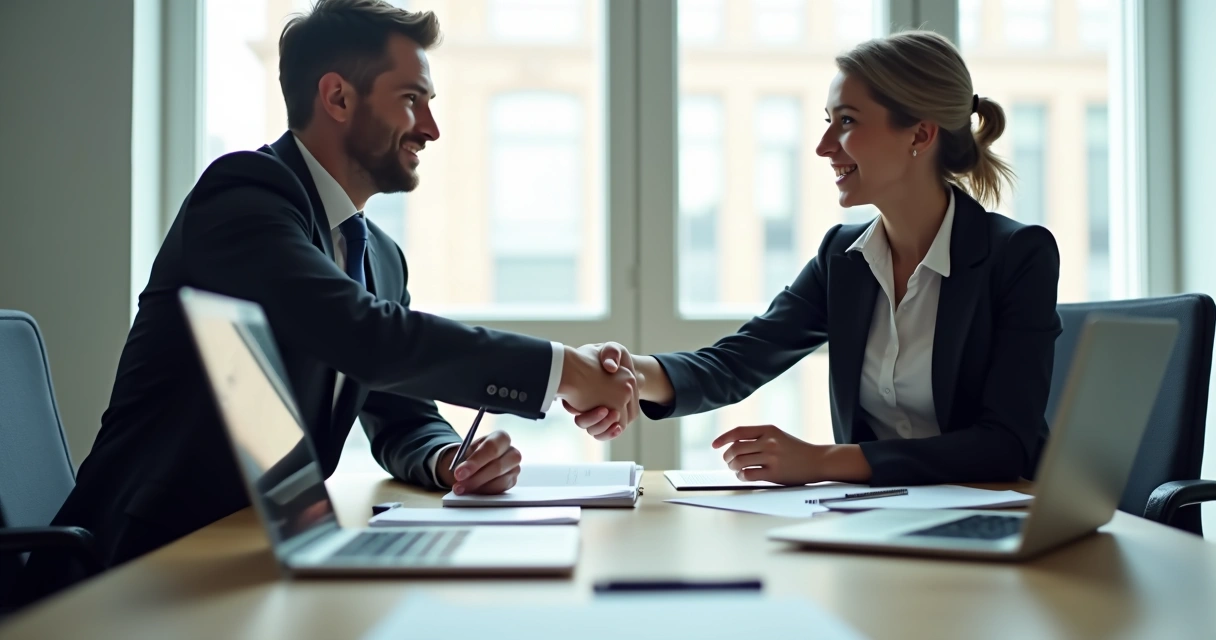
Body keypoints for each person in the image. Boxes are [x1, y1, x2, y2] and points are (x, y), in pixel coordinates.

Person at [15, 0, 640, 606]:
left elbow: (402, 416)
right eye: (411, 99)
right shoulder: (243, 197)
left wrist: (448, 459)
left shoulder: (382, 259)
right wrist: (564, 370)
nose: (431, 128)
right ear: (338, 97)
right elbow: (362, 337)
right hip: (138, 568)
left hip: (256, 560)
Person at [572, 30, 1061, 488]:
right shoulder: (843, 258)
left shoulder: (1018, 256)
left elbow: (1005, 445)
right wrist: (630, 373)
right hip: (879, 521)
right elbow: (736, 363)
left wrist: (823, 461)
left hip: (998, 517)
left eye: (847, 122)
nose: (824, 147)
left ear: (919, 135)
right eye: (829, 122)